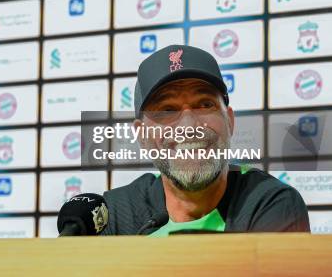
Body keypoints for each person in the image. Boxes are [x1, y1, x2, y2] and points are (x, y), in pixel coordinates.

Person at [102, 45, 310, 236]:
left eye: (204, 104)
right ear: (142, 135)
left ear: (229, 121)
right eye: (167, 109)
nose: (189, 127)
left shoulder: (270, 203)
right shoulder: (116, 212)